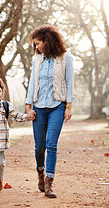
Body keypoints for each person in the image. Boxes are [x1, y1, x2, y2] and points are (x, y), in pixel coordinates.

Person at [25, 25, 74, 198]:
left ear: (47, 41)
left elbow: (69, 83)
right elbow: (32, 82)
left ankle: (49, 183)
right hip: (39, 107)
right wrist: (28, 105)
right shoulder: (36, 59)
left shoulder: (65, 58)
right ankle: (40, 172)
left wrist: (68, 107)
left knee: (51, 144)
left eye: (38, 43)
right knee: (39, 147)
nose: (36, 47)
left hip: (57, 107)